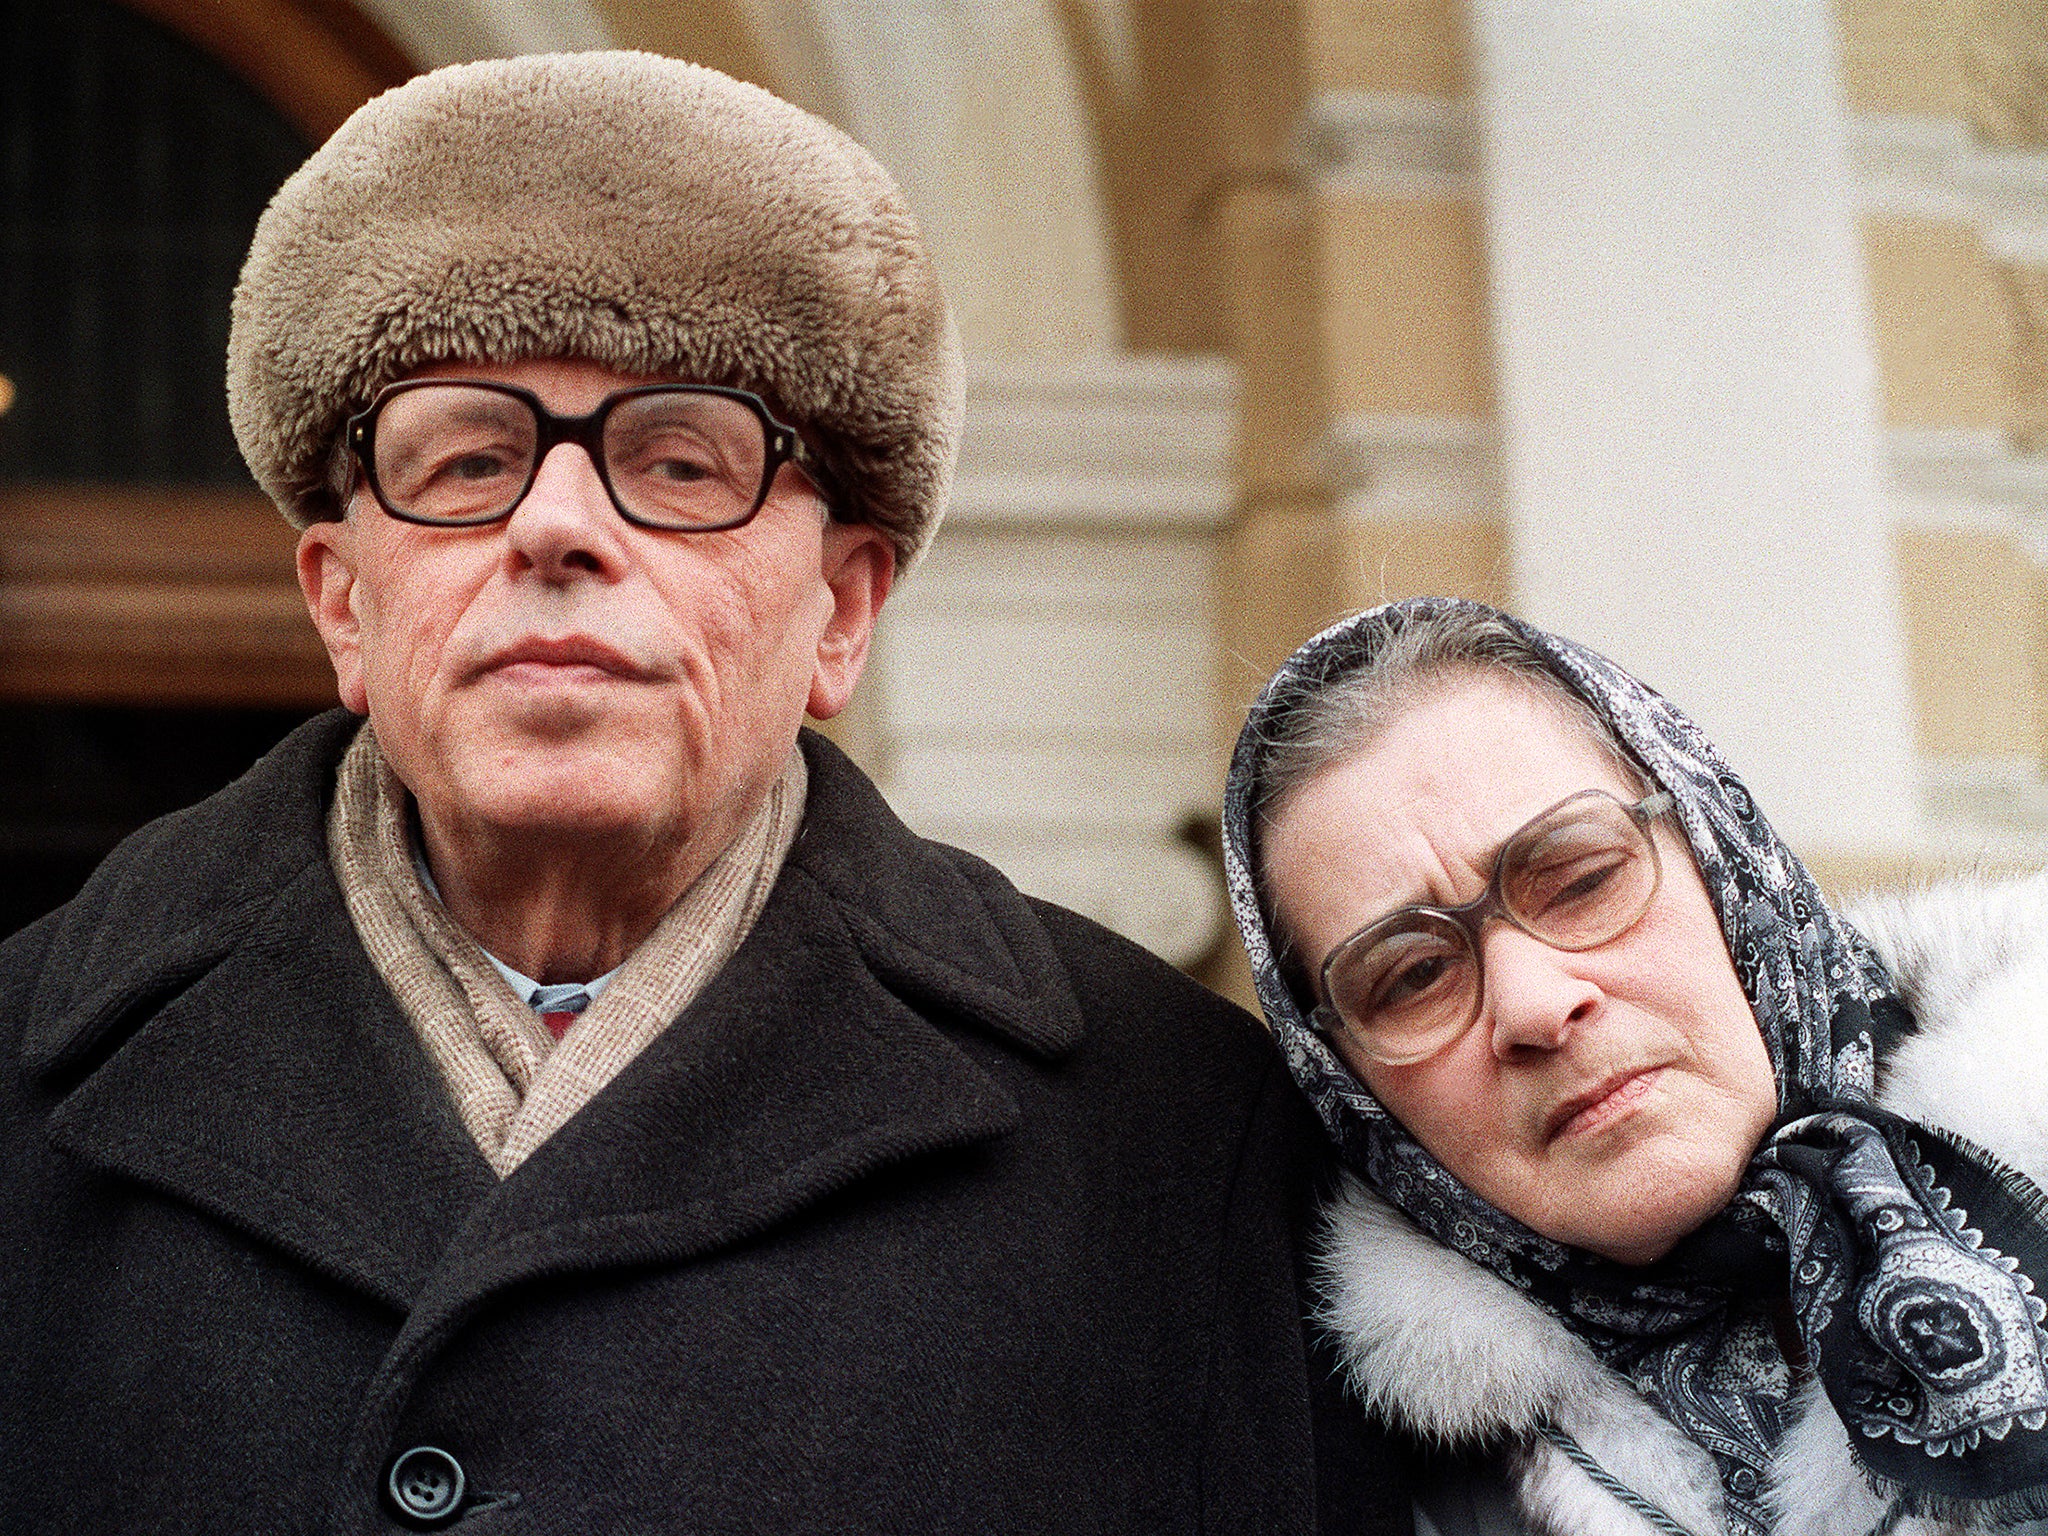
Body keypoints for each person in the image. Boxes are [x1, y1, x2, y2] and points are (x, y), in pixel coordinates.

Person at [0, 54, 1410, 1534]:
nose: (554, 525)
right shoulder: (28, 1079)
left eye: (679, 463)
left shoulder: (1188, 1149)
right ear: (345, 603)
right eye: (466, 459)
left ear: (843, 613)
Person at [1221, 595, 2048, 1536]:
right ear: (1353, 1094)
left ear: (1723, 859)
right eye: (1412, 978)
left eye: (1579, 878)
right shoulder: (1344, 1481)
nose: (1534, 1005)